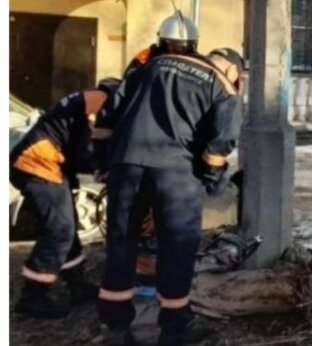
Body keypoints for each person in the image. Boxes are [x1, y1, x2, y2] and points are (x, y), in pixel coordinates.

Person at [94, 34, 244, 346]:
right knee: (176, 247)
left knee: (121, 242)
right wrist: (213, 181)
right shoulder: (222, 86)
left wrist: (104, 163)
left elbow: (107, 119)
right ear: (233, 72)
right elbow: (220, 145)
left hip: (126, 165)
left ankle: (115, 328)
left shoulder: (146, 67)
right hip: (176, 173)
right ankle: (175, 329)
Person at [9, 78, 121, 318]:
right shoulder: (100, 103)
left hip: (47, 162)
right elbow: (85, 150)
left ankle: (76, 286)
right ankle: (32, 296)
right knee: (60, 229)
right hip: (38, 163)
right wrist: (104, 167)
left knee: (66, 227)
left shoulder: (90, 97)